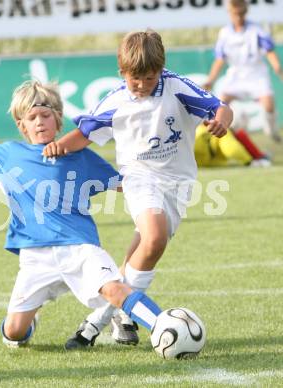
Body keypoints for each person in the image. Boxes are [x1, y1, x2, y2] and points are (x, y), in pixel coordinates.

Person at [0, 80, 163, 349]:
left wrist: (158, 189)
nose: (39, 122)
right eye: (32, 118)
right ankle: (30, 318)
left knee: (114, 290)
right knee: (13, 333)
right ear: (22, 125)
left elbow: (126, 185)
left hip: (80, 248)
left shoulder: (80, 156)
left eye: (45, 116)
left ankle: (164, 325)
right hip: (35, 258)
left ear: (58, 120)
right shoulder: (9, 154)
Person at [43, 30, 233, 349]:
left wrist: (221, 121)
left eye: (149, 78)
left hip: (178, 183)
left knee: (143, 251)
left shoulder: (176, 87)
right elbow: (86, 132)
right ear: (122, 73)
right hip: (138, 176)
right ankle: (115, 318)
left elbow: (220, 107)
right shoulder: (117, 100)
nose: (142, 85)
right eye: (135, 79)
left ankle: (99, 322)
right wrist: (57, 147)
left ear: (161, 70)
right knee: (155, 237)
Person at [204, 0, 283, 143]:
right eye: (235, 14)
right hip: (236, 75)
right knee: (220, 104)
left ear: (245, 12)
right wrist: (211, 79)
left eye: (241, 14)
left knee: (269, 105)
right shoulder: (225, 33)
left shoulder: (256, 30)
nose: (238, 17)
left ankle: (271, 131)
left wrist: (278, 68)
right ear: (230, 13)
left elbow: (269, 51)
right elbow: (219, 59)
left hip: (256, 74)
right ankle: (219, 137)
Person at [194, 125, 271, 168]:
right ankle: (258, 157)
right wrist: (249, 162)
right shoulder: (224, 133)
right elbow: (232, 150)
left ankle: (258, 156)